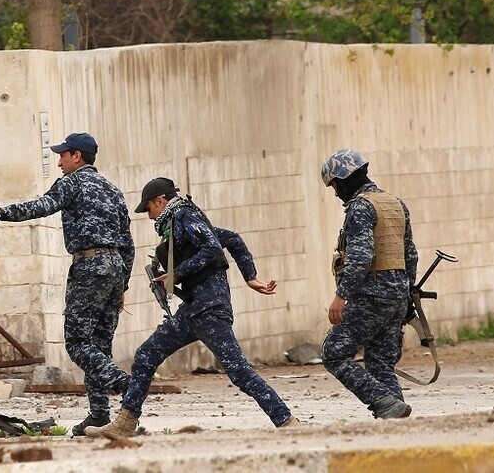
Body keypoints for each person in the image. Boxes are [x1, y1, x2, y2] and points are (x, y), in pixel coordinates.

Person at [88, 177, 298, 438]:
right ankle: (125, 424)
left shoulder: (185, 216)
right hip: (192, 310)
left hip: (210, 310)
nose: (149, 216)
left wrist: (177, 274)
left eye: (149, 209)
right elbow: (231, 239)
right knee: (146, 355)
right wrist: (250, 277)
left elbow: (212, 248)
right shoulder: (180, 223)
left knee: (239, 371)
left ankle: (287, 421)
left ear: (160, 201)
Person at [0, 132, 134, 436]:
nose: (59, 162)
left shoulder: (72, 182)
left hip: (89, 267)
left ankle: (127, 385)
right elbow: (128, 240)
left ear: (77, 156)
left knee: (77, 343)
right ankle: (100, 416)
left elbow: (41, 206)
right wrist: (122, 283)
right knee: (99, 346)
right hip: (114, 267)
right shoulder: (113, 190)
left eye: (63, 155)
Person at [320, 149, 418, 419]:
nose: (336, 193)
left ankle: (382, 402)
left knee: (334, 353)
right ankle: (395, 415)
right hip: (397, 297)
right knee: (380, 362)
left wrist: (341, 296)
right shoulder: (395, 203)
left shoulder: (360, 207)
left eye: (335, 185)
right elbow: (410, 255)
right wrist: (407, 295)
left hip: (371, 296)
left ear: (344, 179)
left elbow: (361, 257)